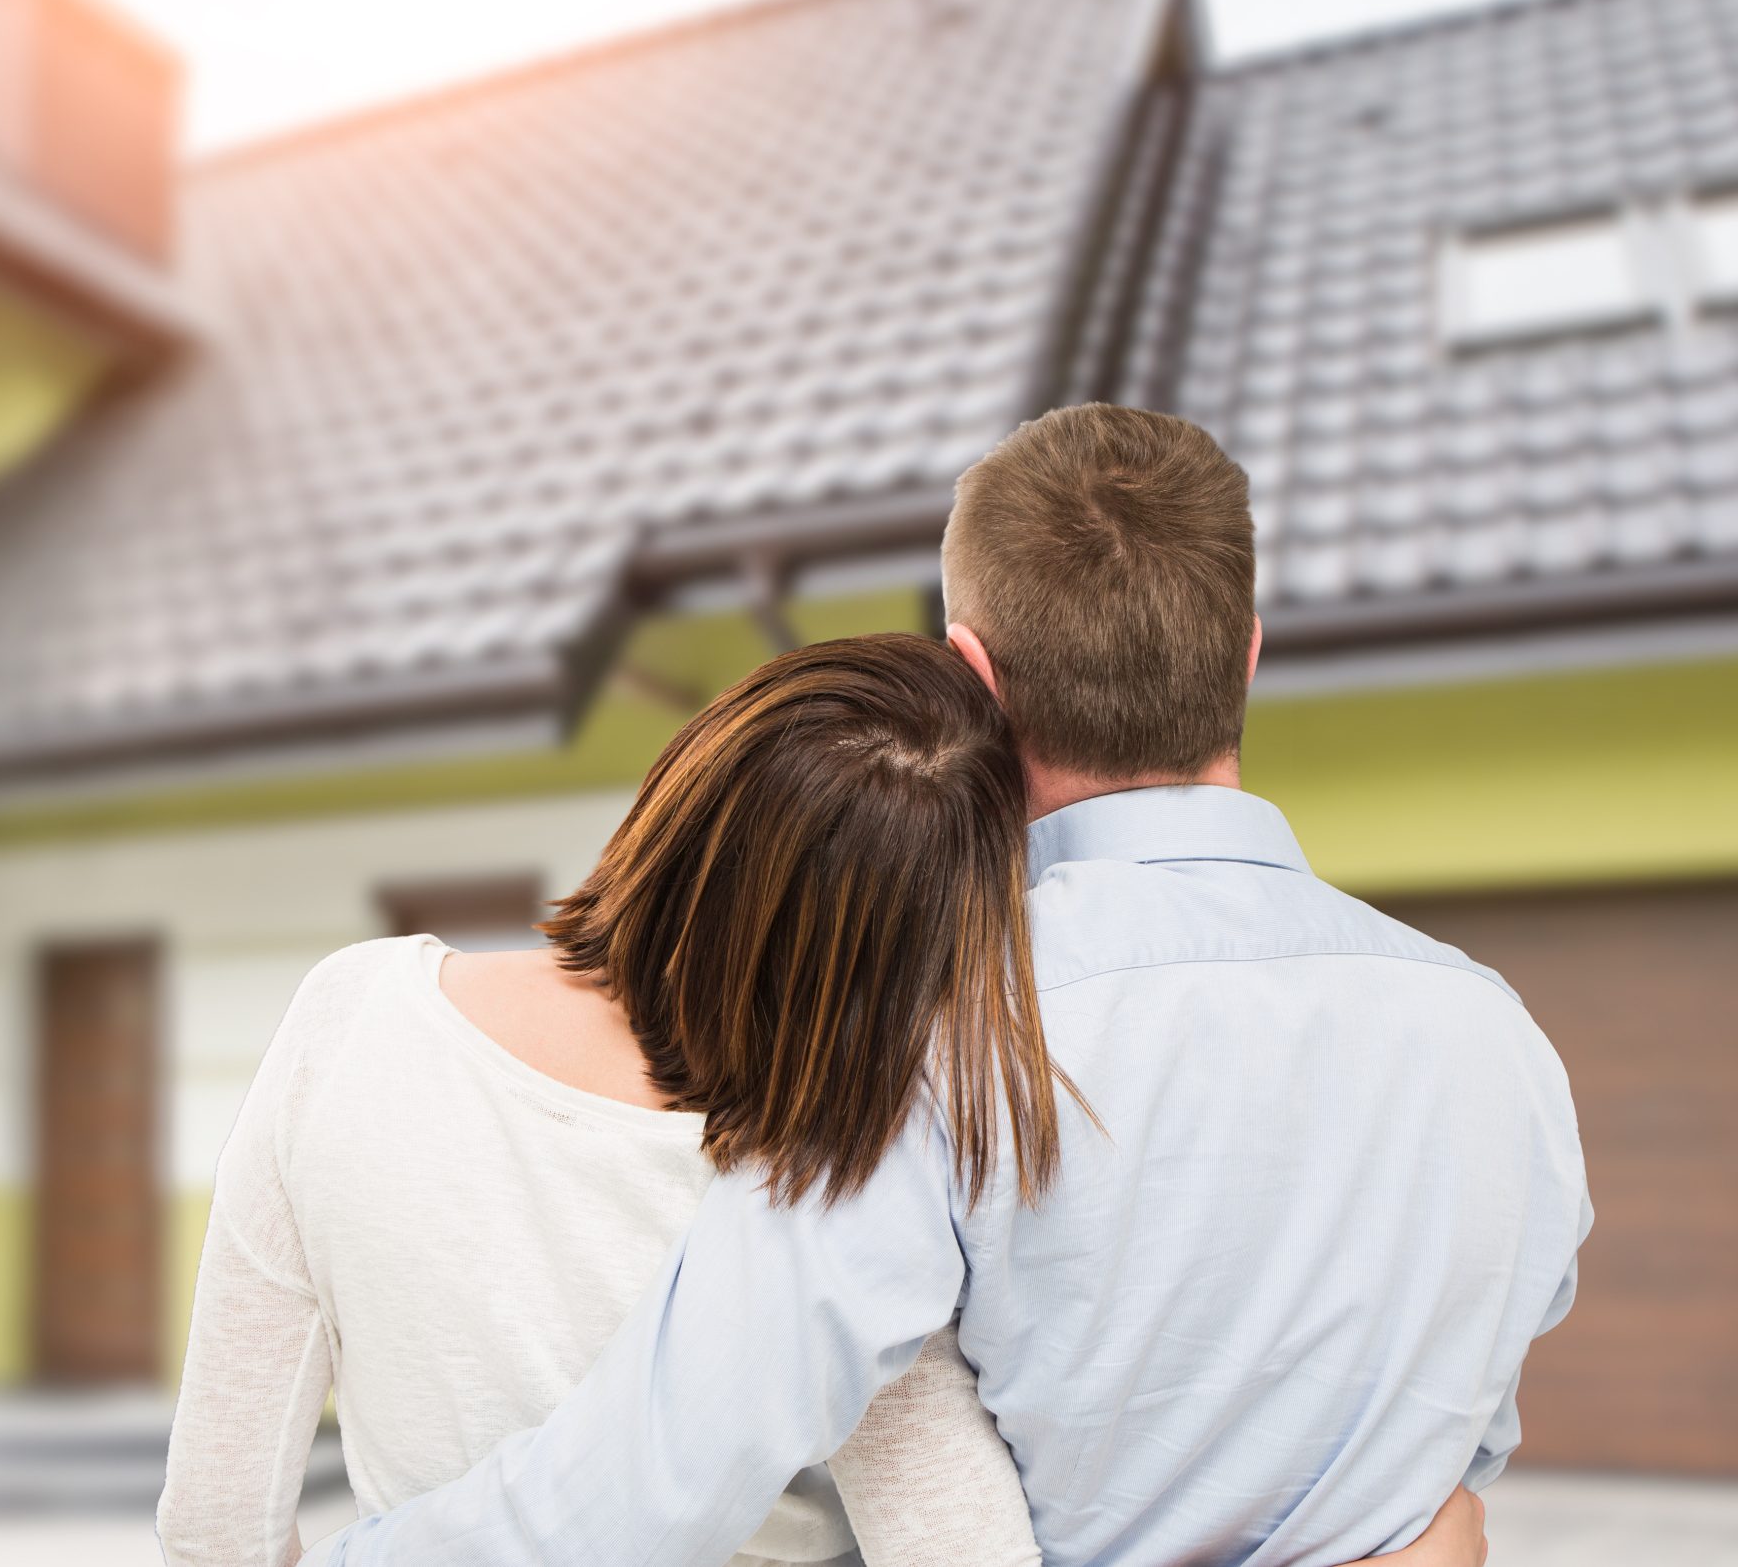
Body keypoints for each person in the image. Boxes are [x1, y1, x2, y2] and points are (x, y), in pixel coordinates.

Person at [311, 404, 1589, 1567]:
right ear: (1246, 656)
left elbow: (659, 1475)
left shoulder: (929, 1037)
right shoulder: (1496, 1036)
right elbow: (1455, 1457)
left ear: (970, 672)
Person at [158, 633, 1490, 1567]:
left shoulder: (352, 1017)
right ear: (924, 946)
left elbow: (216, 1518)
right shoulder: (845, 1169)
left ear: (691, 778)